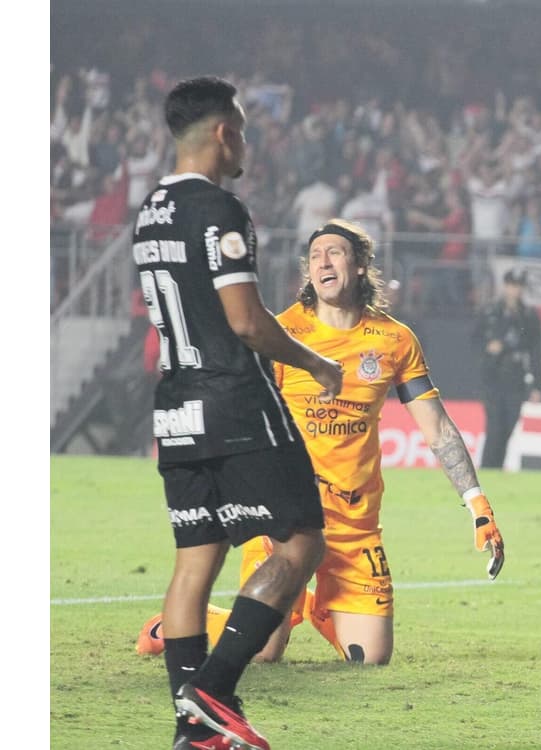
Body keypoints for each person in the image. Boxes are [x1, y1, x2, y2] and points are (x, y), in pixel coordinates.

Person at [138, 218, 505, 666]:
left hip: (355, 525)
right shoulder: (281, 334)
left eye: (334, 252)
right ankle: (171, 627)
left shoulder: (394, 340)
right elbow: (241, 416)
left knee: (371, 659)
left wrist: (477, 503)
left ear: (361, 264)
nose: (322, 262)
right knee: (262, 651)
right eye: (314, 256)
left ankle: (308, 608)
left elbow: (438, 428)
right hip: (287, 519)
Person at [134, 76, 343, 750]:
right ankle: (213, 689)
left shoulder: (149, 211)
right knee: (302, 543)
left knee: (195, 563)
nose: (246, 141)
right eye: (244, 129)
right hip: (235, 403)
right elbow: (247, 322)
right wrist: (314, 361)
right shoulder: (220, 210)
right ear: (224, 133)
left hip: (176, 410)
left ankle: (193, 732)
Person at [475, 268, 541, 469]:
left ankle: (497, 467)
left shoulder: (529, 316)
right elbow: (474, 339)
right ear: (505, 286)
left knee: (508, 426)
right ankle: (488, 468)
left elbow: (535, 352)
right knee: (495, 426)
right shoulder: (490, 311)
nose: (515, 290)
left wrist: (537, 385)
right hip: (493, 375)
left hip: (516, 376)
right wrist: (487, 348)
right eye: (512, 285)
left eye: (518, 286)